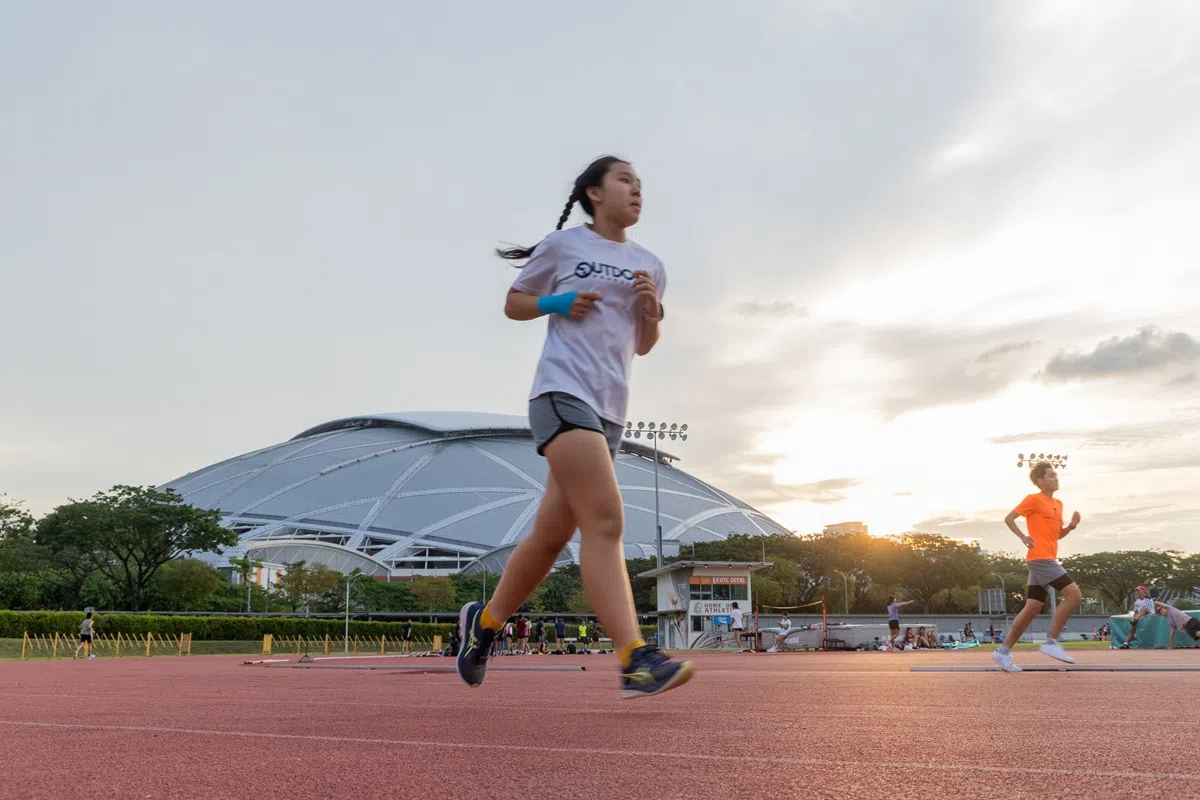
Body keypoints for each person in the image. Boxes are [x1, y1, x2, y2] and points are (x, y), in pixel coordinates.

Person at [455, 156, 690, 698]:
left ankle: (483, 627)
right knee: (605, 521)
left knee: (549, 537)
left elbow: (643, 344)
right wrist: (559, 300)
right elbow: (515, 303)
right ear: (594, 192)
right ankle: (636, 657)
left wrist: (652, 310)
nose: (636, 191)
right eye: (625, 180)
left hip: (610, 411)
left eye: (640, 184)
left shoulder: (650, 264)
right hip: (562, 395)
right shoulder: (563, 246)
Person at [992, 461, 1083, 672]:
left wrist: (1071, 526)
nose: (1055, 478)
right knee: (1074, 595)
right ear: (1041, 481)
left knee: (1032, 608)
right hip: (1040, 558)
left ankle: (1002, 652)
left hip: (1045, 559)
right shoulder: (1033, 500)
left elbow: (1056, 534)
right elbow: (1009, 518)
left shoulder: (1058, 504)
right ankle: (1051, 642)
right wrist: (1023, 536)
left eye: (1056, 475)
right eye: (1051, 476)